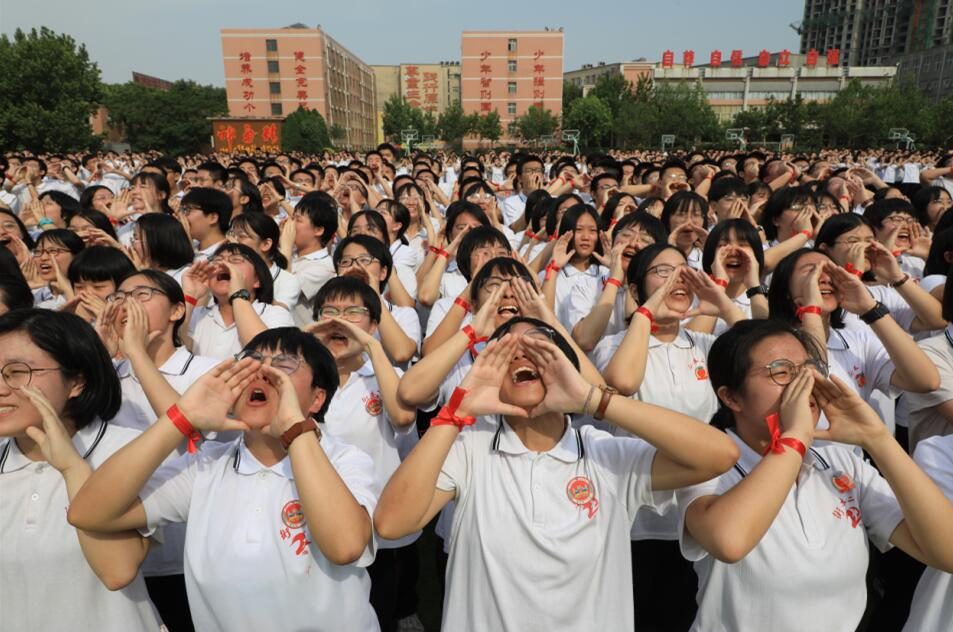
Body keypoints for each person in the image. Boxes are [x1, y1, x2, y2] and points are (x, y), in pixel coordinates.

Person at [375, 318, 739, 631]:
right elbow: (392, 523)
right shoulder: (471, 448)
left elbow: (718, 456)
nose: (522, 355)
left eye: (538, 347)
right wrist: (455, 415)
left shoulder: (605, 454)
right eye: (507, 351)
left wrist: (592, 399)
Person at [68, 329, 381, 632]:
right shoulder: (205, 466)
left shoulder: (343, 460)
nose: (262, 372)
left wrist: (294, 427)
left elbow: (346, 547)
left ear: (317, 398)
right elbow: (89, 512)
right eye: (250, 362)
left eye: (284, 364)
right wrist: (181, 416)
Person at [676, 318, 953, 632]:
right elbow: (729, 542)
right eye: (781, 372)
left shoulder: (840, 462)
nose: (803, 384)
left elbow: (946, 551)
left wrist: (877, 439)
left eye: (807, 368)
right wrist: (794, 438)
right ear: (731, 397)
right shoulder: (708, 464)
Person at [0, 309, 162, 631]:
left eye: (16, 372)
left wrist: (71, 467)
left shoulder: (127, 451)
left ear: (77, 382)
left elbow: (118, 571)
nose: (2, 387)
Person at [309, 276, 417, 631]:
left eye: (353, 312)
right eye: (330, 312)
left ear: (373, 324)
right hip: (315, 517)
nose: (340, 321)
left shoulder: (384, 374)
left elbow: (403, 418)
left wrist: (372, 346)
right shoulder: (303, 378)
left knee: (380, 609)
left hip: (376, 519)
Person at [182, 243, 295, 358]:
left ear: (257, 280)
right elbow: (176, 348)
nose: (223, 264)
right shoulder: (196, 315)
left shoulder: (275, 314)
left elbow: (267, 356)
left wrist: (238, 293)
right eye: (217, 260)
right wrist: (190, 295)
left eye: (236, 260)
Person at [227, 211, 300, 310]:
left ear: (266, 244)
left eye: (242, 236)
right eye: (232, 235)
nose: (233, 241)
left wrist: (242, 288)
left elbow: (281, 311)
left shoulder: (287, 280)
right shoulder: (226, 272)